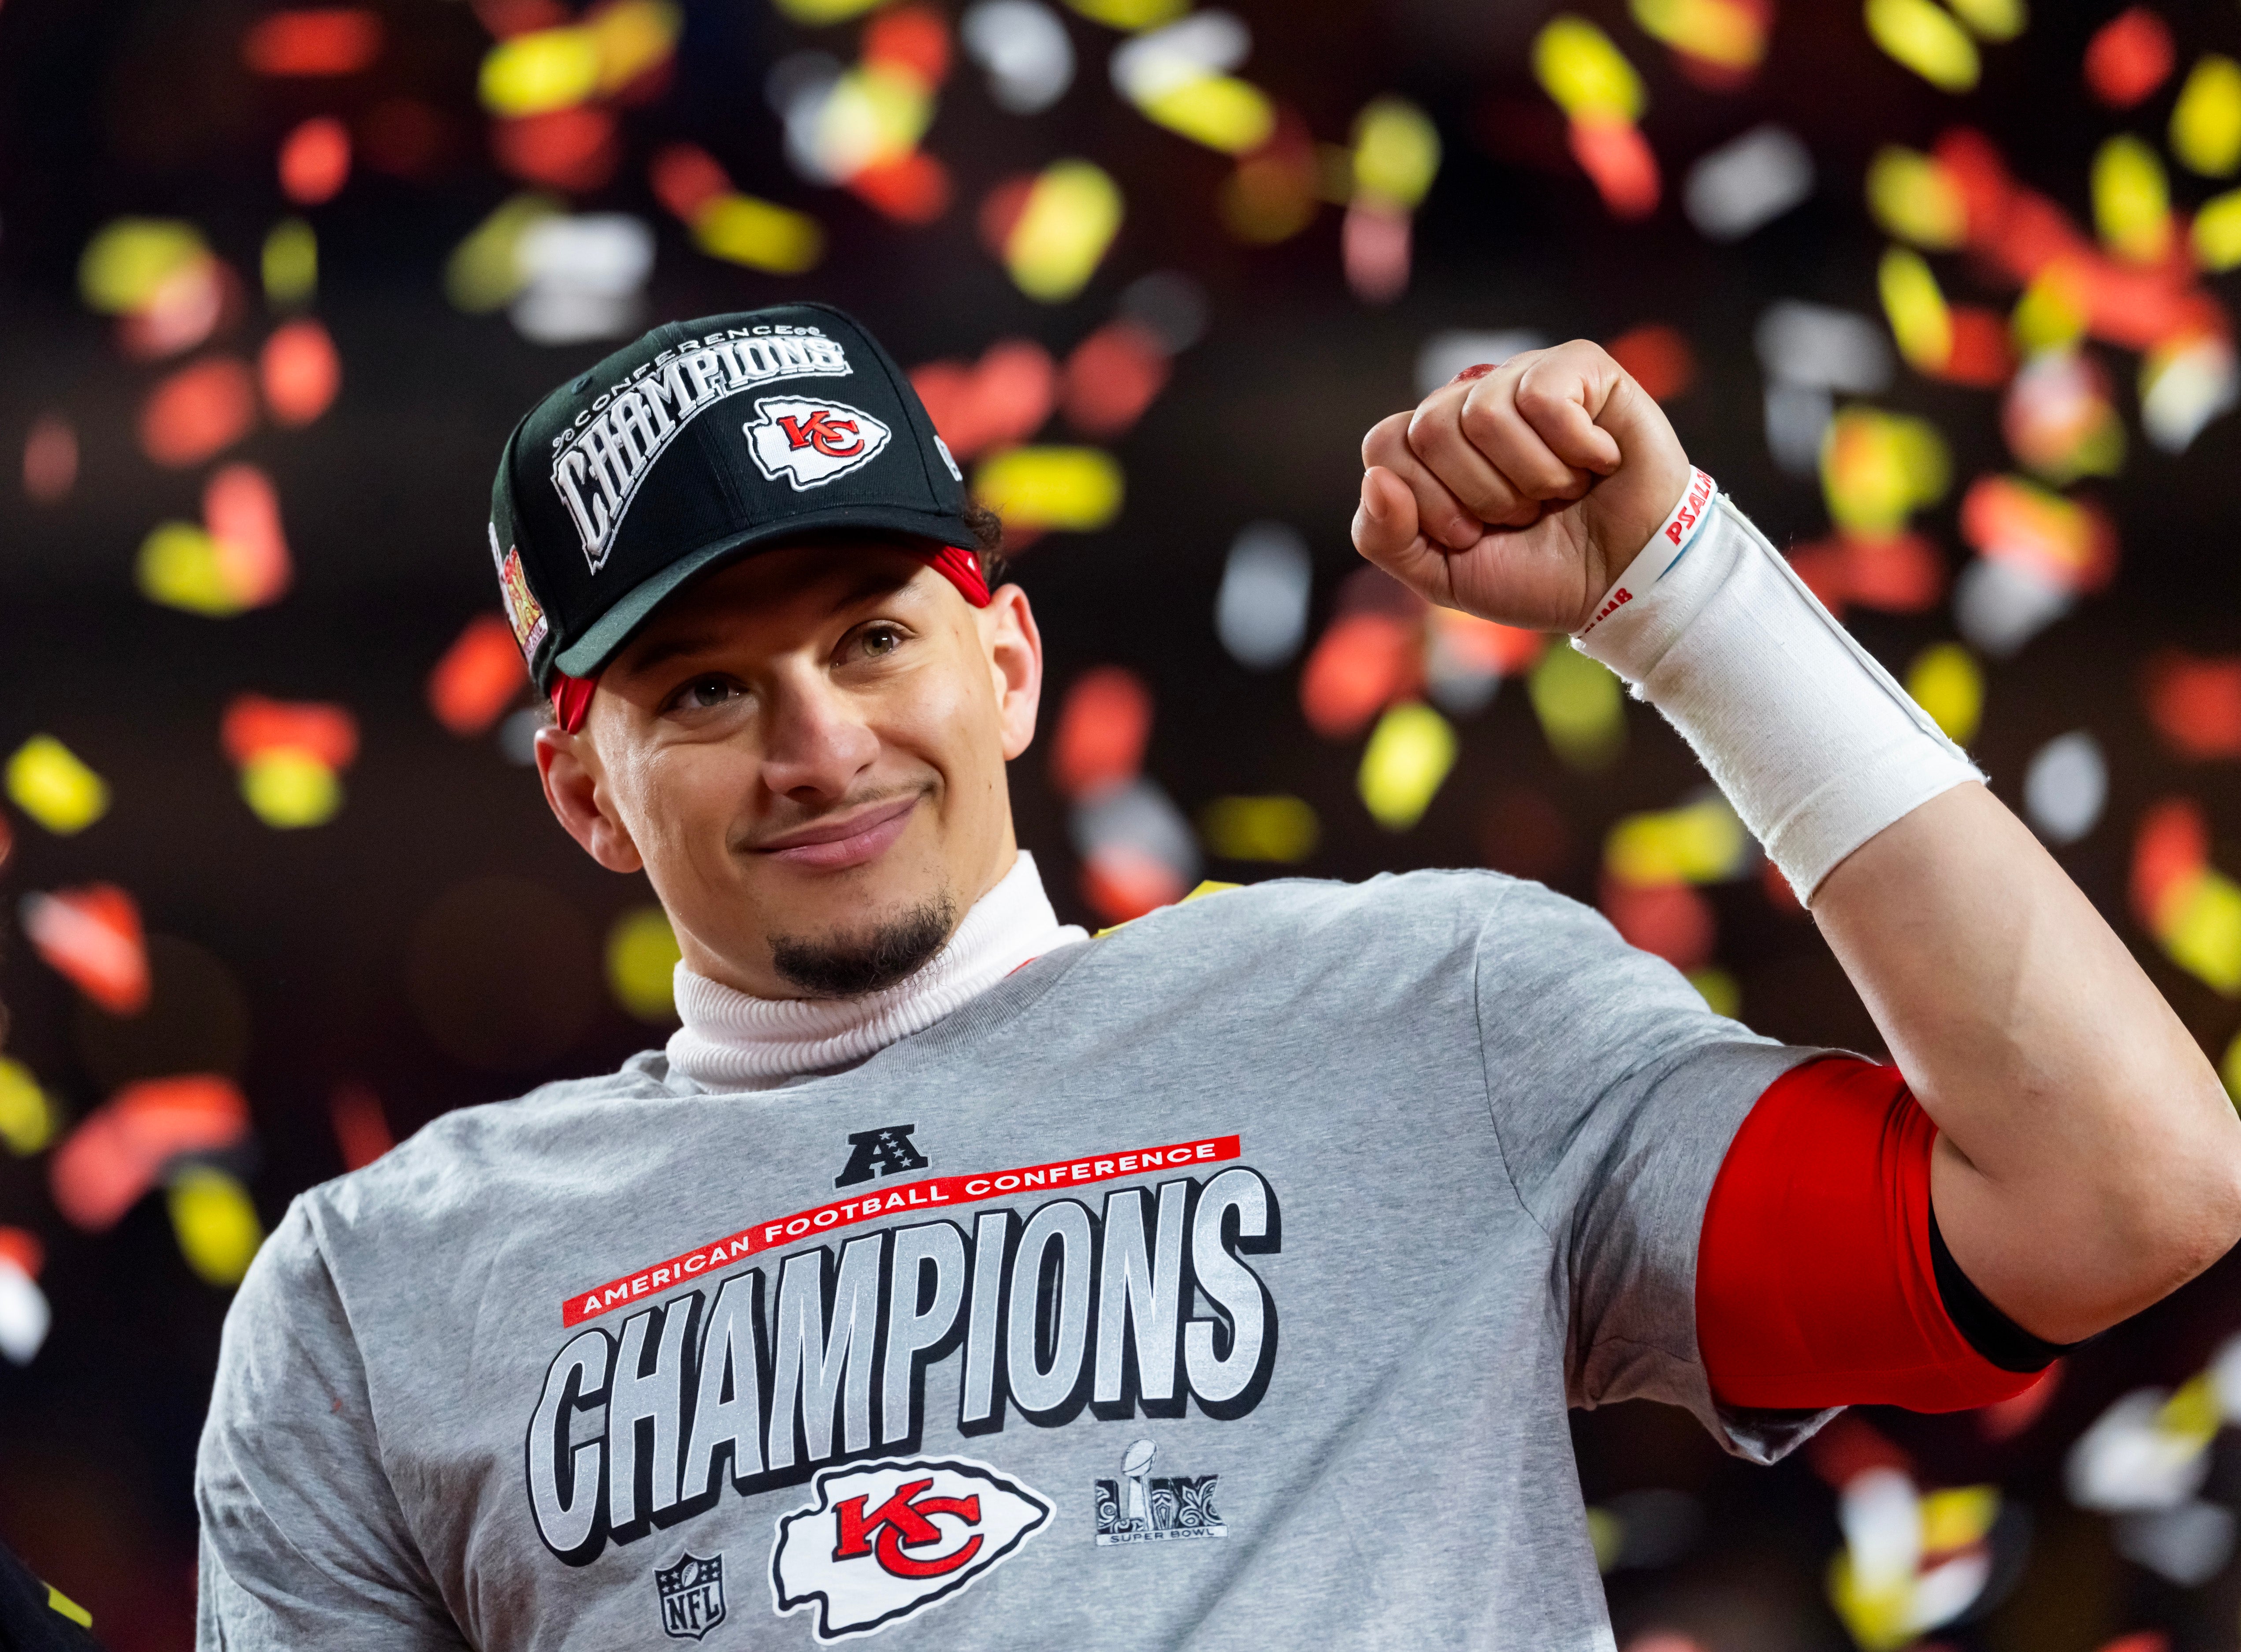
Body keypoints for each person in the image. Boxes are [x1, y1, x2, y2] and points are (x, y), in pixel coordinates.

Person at [196, 304, 2241, 1651]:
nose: (819, 743)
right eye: (707, 686)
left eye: (874, 641)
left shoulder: (1426, 1014)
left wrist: (1685, 600)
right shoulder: (377, 1293)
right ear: (584, 785)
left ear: (1003, 660)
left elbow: (2121, 1193)